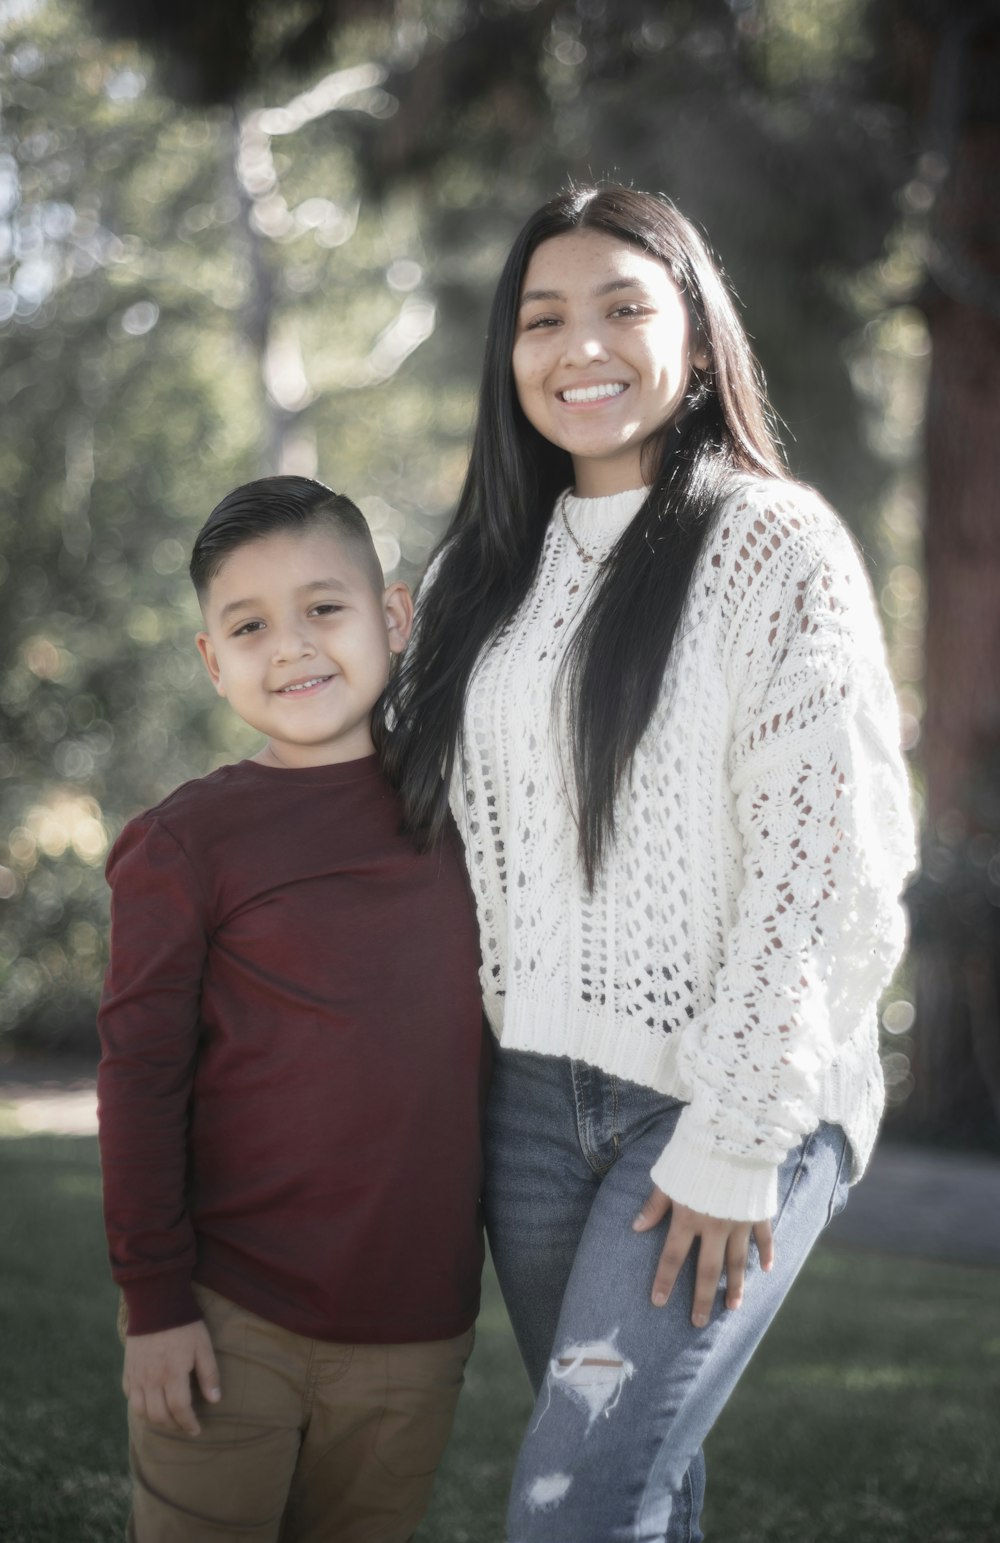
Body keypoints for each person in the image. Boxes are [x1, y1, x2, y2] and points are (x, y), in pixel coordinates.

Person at [380, 184, 916, 1542]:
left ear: (694, 334)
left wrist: (737, 1137)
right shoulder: (478, 577)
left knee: (570, 1501)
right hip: (530, 1109)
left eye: (625, 307)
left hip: (728, 1099)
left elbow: (828, 868)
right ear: (509, 357)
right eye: (543, 317)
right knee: (639, 1491)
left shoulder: (772, 543)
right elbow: (433, 818)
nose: (583, 346)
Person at [97, 476, 489, 1543]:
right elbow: (138, 1080)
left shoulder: (474, 817)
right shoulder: (188, 844)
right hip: (229, 1317)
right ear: (212, 660)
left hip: (417, 1328)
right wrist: (155, 1303)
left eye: (325, 607)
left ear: (393, 617)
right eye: (249, 624)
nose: (293, 646)